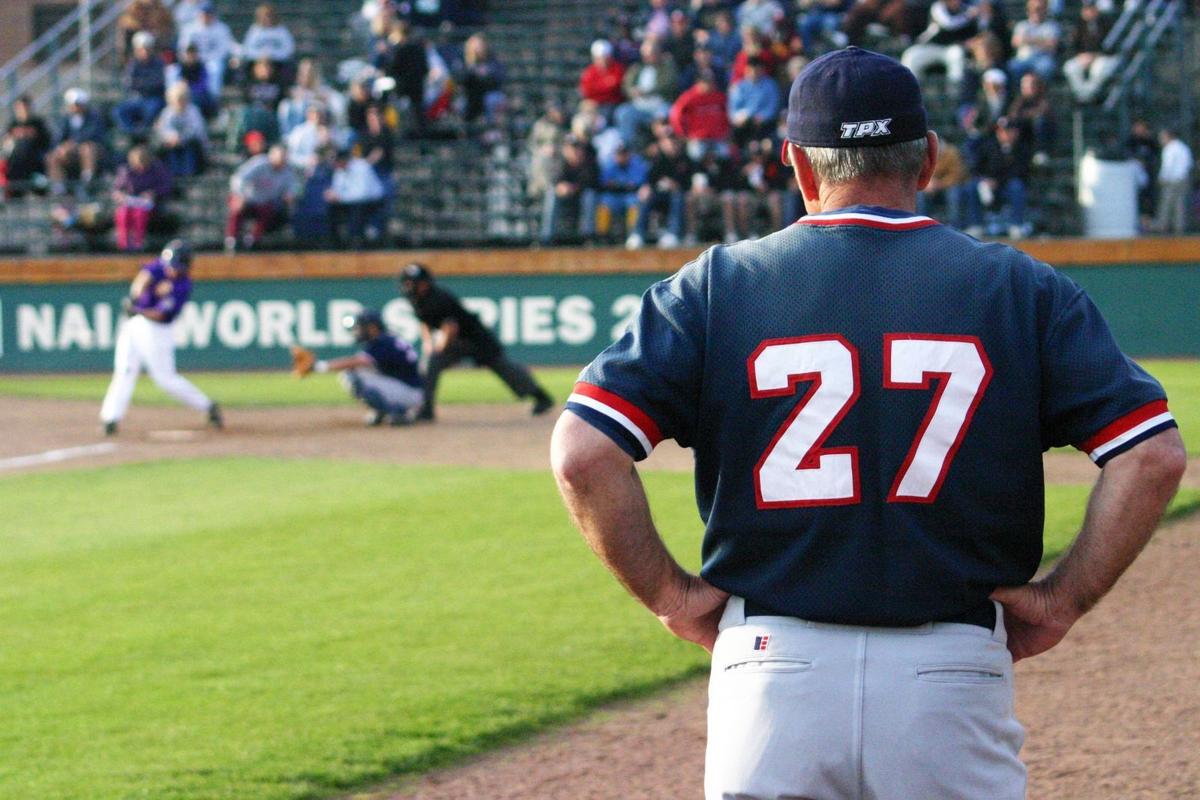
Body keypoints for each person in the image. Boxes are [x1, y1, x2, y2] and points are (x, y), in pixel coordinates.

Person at [549, 47, 1185, 800]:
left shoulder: (717, 285)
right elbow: (1152, 457)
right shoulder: (1021, 287)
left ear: (797, 164)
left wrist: (673, 597)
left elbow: (584, 453)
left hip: (771, 666)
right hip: (949, 665)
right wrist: (1063, 599)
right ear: (930, 160)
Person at [398, 262, 554, 421]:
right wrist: (428, 344)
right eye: (407, 282)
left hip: (477, 339)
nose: (409, 286)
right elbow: (424, 321)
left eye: (413, 282)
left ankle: (541, 397)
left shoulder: (438, 297)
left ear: (425, 283)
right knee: (431, 364)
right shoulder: (416, 299)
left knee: (504, 368)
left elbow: (450, 327)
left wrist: (438, 348)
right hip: (456, 341)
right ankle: (426, 409)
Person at [100, 240, 223, 435]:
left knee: (165, 379)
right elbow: (143, 278)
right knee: (124, 370)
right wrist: (134, 298)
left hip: (158, 331)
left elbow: (161, 314)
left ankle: (207, 406)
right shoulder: (161, 265)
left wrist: (138, 310)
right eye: (171, 266)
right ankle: (110, 419)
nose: (171, 270)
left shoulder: (183, 286)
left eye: (176, 268)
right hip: (135, 325)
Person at [308, 310, 424, 426]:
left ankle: (397, 411)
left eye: (361, 327)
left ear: (373, 327)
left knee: (352, 376)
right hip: (410, 389)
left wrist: (319, 366)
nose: (358, 331)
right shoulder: (388, 339)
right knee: (359, 372)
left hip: (409, 393)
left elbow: (356, 362)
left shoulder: (382, 341)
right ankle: (384, 410)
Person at [226, 142, 296, 250]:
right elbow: (238, 178)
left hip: (265, 203)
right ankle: (232, 239)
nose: (282, 160)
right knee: (235, 204)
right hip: (247, 199)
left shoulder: (287, 171)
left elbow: (291, 189)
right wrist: (240, 195)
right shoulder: (259, 163)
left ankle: (253, 240)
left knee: (270, 209)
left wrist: (290, 196)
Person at [46, 88, 108, 195]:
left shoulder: (94, 117)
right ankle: (59, 187)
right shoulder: (66, 119)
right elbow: (58, 138)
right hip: (71, 153)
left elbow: (94, 135)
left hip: (91, 151)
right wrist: (62, 147)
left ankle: (87, 180)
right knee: (53, 156)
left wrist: (74, 143)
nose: (73, 107)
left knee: (87, 148)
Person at [111, 145, 174, 251]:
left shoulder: (157, 169)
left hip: (151, 205)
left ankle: (138, 243)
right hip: (129, 202)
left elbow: (166, 187)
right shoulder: (126, 170)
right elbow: (117, 189)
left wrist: (153, 193)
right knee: (123, 212)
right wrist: (120, 195)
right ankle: (123, 243)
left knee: (140, 213)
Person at [324, 149, 386, 248]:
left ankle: (356, 242)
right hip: (350, 202)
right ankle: (336, 243)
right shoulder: (339, 170)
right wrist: (332, 194)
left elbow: (362, 194)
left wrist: (340, 197)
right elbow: (338, 189)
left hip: (372, 201)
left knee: (357, 210)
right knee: (331, 210)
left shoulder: (362, 167)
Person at [113, 31, 168, 140]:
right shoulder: (133, 64)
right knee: (119, 111)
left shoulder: (158, 63)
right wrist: (146, 83)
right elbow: (129, 84)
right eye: (141, 49)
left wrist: (141, 84)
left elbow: (158, 83)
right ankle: (131, 132)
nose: (144, 52)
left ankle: (143, 132)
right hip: (137, 98)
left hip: (153, 98)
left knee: (152, 109)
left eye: (147, 48)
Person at [178, 2, 234, 98]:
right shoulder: (190, 28)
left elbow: (223, 50)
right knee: (173, 71)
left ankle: (213, 98)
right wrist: (194, 58)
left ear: (213, 14)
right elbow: (183, 47)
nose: (206, 16)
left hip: (211, 60)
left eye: (208, 13)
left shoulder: (221, 28)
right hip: (193, 61)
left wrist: (206, 58)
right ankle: (179, 96)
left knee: (215, 68)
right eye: (203, 13)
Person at [153, 81, 208, 177]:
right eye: (177, 100)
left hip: (191, 143)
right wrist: (172, 137)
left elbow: (195, 130)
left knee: (189, 148)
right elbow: (164, 129)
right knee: (168, 148)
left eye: (182, 99)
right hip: (172, 143)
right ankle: (173, 172)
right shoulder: (167, 112)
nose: (180, 102)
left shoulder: (193, 111)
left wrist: (181, 138)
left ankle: (189, 172)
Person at [2, 96, 52, 195]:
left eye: (24, 107)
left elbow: (46, 142)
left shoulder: (38, 123)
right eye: (19, 108)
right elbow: (6, 143)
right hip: (16, 162)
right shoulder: (13, 124)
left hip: (35, 160)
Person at [1153, 128, 1194, 235]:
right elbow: (1189, 164)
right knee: (1180, 204)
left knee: (1167, 203)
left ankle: (1163, 226)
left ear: (1168, 136)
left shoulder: (1169, 148)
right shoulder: (1183, 147)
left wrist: (1162, 177)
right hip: (1183, 179)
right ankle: (1179, 227)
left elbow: (1168, 165)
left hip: (1171, 180)